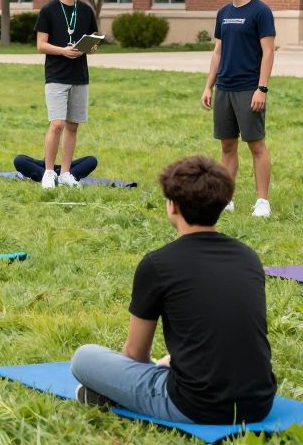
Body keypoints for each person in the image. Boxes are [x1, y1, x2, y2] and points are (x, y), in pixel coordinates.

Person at [71, 155, 276, 424]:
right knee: (170, 362)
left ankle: (120, 396)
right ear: (223, 202)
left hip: (195, 406)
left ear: (173, 206)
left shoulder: (157, 264)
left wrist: (141, 378)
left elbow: (135, 354)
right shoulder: (249, 257)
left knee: (83, 358)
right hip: (260, 403)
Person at [201, 0, 275, 218]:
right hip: (225, 88)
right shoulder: (224, 13)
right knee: (227, 147)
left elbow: (268, 53)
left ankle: (262, 202)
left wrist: (261, 88)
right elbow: (218, 52)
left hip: (249, 89)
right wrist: (209, 86)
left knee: (256, 145)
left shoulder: (260, 11)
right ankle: (226, 198)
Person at [34, 0, 99, 189]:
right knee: (57, 123)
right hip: (56, 75)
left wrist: (90, 47)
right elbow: (40, 45)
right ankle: (49, 172)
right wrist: (63, 51)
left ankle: (66, 173)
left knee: (73, 125)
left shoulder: (86, 11)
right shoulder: (48, 10)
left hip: (79, 75)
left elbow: (91, 42)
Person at [12, 154, 97, 183]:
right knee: (19, 160)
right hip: (45, 169)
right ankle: (48, 178)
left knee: (92, 160)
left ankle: (65, 178)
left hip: (67, 170)